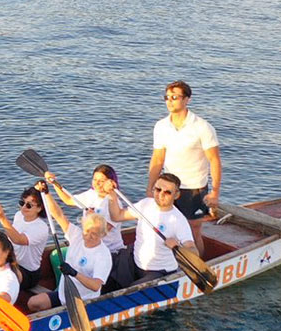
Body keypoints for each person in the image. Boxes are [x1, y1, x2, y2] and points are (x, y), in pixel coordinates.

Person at [148, 80, 221, 251]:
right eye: (167, 97)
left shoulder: (202, 127)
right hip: (168, 187)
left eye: (175, 97)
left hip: (194, 188)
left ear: (187, 99)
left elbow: (214, 160)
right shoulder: (161, 126)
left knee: (192, 230)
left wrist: (215, 192)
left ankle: (198, 263)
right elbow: (157, 159)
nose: (170, 101)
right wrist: (151, 187)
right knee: (167, 226)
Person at [43, 166, 134, 290]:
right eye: (95, 179)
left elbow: (103, 230)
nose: (97, 184)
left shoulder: (114, 203)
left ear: (111, 182)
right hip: (87, 243)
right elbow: (68, 200)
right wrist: (54, 184)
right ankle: (63, 285)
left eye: (102, 181)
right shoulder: (91, 195)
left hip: (109, 251)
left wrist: (94, 217)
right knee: (55, 256)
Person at [27, 188, 113, 313]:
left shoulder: (103, 255)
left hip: (85, 301)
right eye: (87, 231)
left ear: (102, 234)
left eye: (94, 234)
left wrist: (74, 273)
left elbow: (95, 286)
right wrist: (46, 193)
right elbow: (58, 215)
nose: (89, 236)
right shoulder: (76, 236)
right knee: (33, 303)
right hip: (64, 295)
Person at [128, 174, 196, 285]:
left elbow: (193, 251)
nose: (161, 195)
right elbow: (117, 216)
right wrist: (112, 195)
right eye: (158, 189)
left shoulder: (178, 220)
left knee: (132, 289)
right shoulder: (145, 204)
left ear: (176, 195)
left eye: (167, 192)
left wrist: (177, 247)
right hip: (136, 262)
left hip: (160, 271)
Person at [0, 186, 51, 296]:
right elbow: (11, 236)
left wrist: (2, 219)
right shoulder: (18, 215)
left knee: (6, 277)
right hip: (11, 261)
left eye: (29, 205)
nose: (24, 207)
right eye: (22, 203)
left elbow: (18, 240)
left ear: (39, 208)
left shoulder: (41, 228)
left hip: (28, 272)